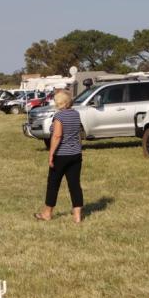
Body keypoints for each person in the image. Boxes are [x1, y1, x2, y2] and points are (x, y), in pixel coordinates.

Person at [35, 90, 84, 222]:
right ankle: (77, 216)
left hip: (61, 155)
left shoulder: (59, 117)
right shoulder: (76, 114)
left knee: (53, 184)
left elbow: (57, 136)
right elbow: (78, 133)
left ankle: (47, 213)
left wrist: (51, 154)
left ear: (59, 102)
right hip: (76, 154)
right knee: (74, 184)